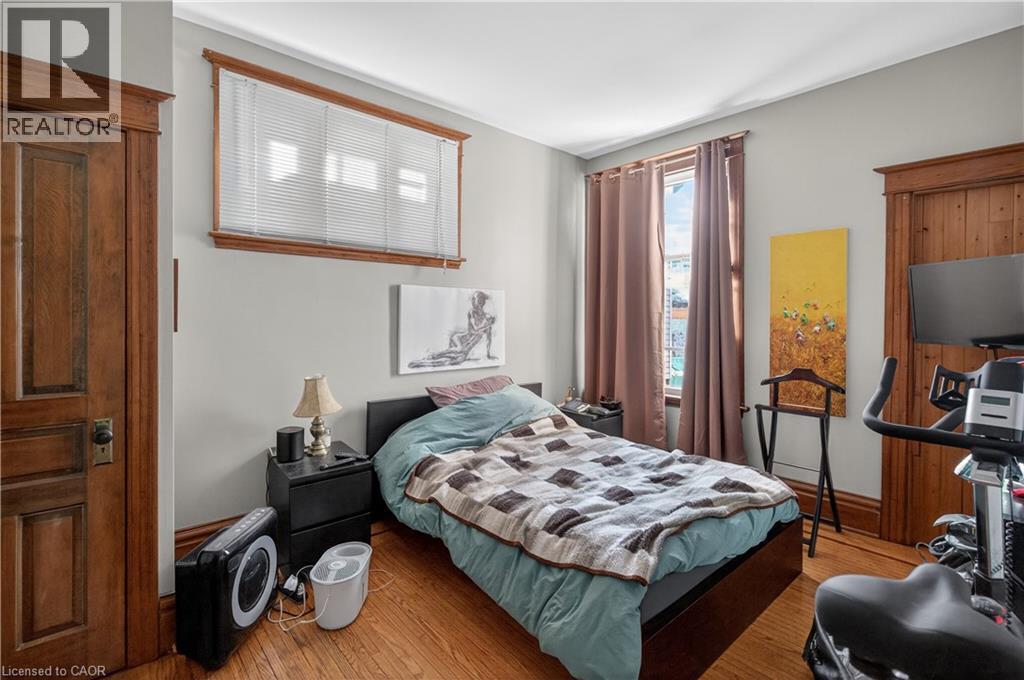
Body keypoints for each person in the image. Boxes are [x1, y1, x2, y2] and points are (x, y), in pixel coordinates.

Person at [408, 291, 497, 369]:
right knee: (459, 350)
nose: (473, 302)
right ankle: (433, 355)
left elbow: (489, 339)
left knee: (457, 360)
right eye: (473, 299)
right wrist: (487, 325)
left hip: (466, 348)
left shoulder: (488, 318)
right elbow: (473, 330)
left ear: (481, 301)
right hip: (458, 339)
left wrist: (488, 354)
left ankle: (421, 363)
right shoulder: (472, 312)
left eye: (475, 299)